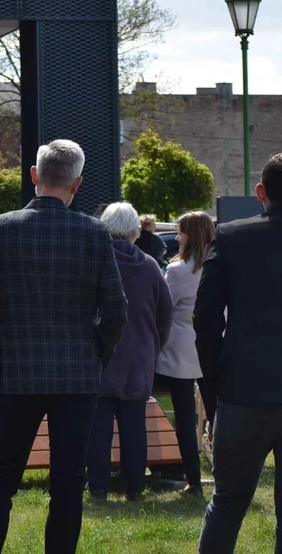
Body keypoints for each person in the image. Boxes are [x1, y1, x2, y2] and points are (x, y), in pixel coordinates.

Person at [0, 139, 127, 554]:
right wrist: (96, 357)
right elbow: (115, 312)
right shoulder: (94, 234)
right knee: (69, 482)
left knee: (0, 480)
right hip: (77, 374)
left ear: (34, 176)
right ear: (77, 184)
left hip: (18, 372)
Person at [195, 153, 282, 553]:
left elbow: (206, 321)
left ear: (260, 192)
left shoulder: (231, 237)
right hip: (244, 390)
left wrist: (215, 390)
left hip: (243, 390)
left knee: (227, 505)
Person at [87, 202, 173, 502]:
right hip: (138, 356)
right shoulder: (150, 266)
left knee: (98, 428)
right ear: (135, 230)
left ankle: (97, 487)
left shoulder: (94, 260)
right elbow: (166, 313)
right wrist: (153, 346)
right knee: (135, 427)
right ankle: (135, 487)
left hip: (100, 355)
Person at [157, 209, 215, 497]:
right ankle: (225, 474)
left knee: (184, 418)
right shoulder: (220, 264)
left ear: (190, 234)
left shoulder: (178, 270)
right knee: (218, 416)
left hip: (179, 351)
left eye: (180, 231)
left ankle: (193, 479)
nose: (177, 237)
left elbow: (165, 309)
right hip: (214, 349)